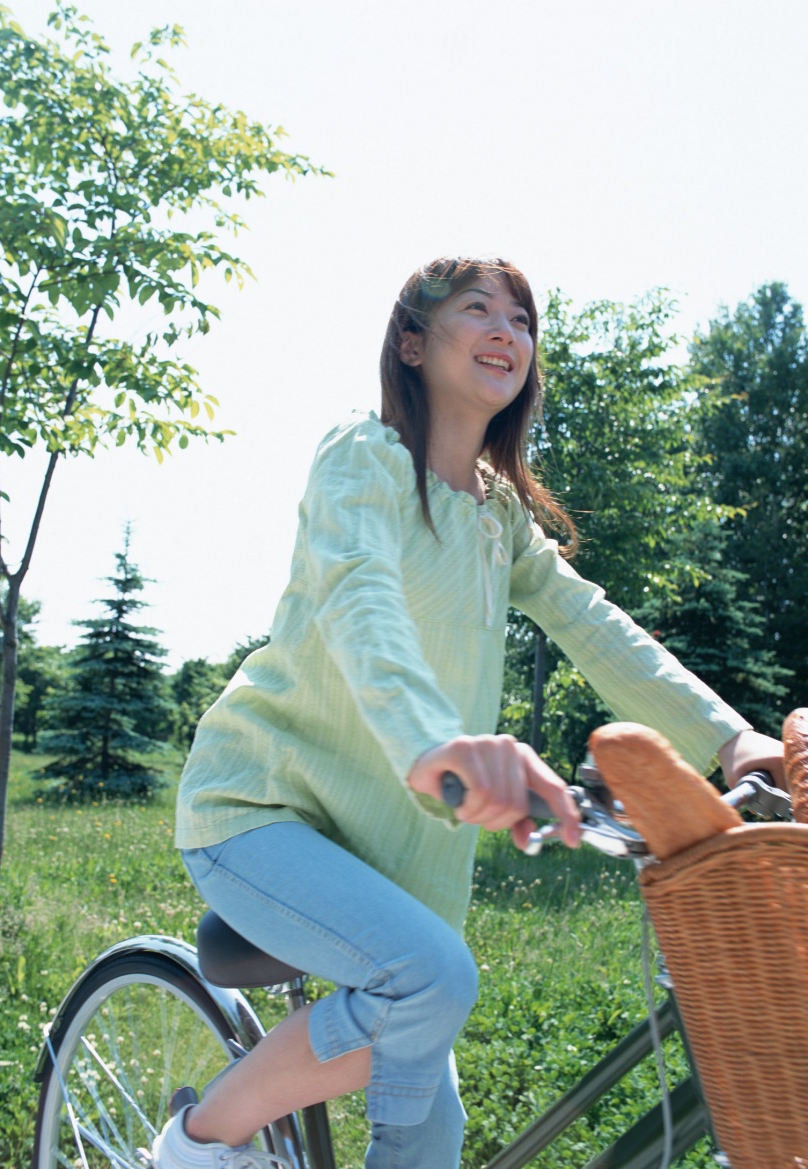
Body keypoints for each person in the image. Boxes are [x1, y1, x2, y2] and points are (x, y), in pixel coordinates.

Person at [154, 255, 785, 1169]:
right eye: (477, 309)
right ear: (412, 342)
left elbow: (595, 624)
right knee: (432, 981)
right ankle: (198, 1141)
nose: (507, 330)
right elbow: (360, 601)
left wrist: (733, 738)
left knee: (429, 1132)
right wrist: (437, 745)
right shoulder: (360, 459)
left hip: (395, 858)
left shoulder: (502, 522)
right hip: (257, 815)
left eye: (522, 319)